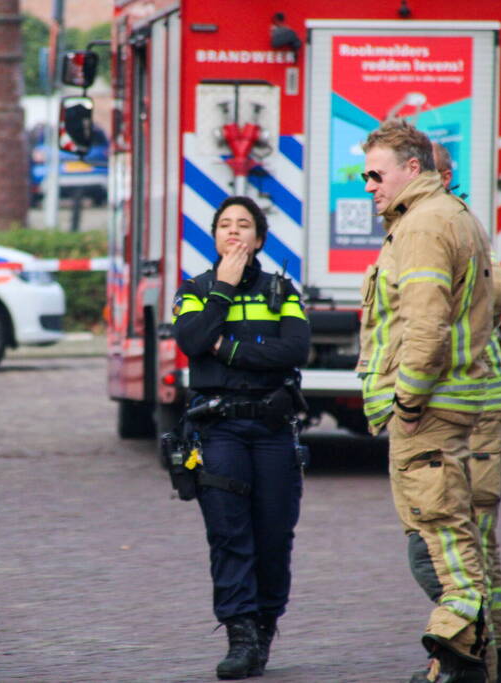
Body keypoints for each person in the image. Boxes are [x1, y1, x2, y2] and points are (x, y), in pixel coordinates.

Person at [357, 119, 496, 682]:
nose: (368, 185)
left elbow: (426, 322)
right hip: (451, 403)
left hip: (429, 412)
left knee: (436, 545)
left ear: (412, 169)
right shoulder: (451, 215)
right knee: (446, 536)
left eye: (376, 173)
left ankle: (457, 664)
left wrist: (408, 402)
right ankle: (460, 666)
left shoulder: (421, 226)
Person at [172, 196, 310, 680]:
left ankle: (265, 626)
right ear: (213, 237)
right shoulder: (197, 289)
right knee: (230, 535)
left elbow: (296, 348)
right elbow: (190, 341)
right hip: (218, 429)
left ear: (259, 238)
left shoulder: (281, 289)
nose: (234, 232)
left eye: (243, 225)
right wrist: (224, 291)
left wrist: (226, 347)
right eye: (225, 225)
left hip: (273, 430)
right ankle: (240, 635)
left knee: (274, 535)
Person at [433, 141, 501, 683]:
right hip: (467, 403)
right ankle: (493, 656)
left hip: (478, 404)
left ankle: (477, 657)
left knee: (470, 538)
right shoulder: (439, 222)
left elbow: (497, 294)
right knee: (469, 540)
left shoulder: (456, 224)